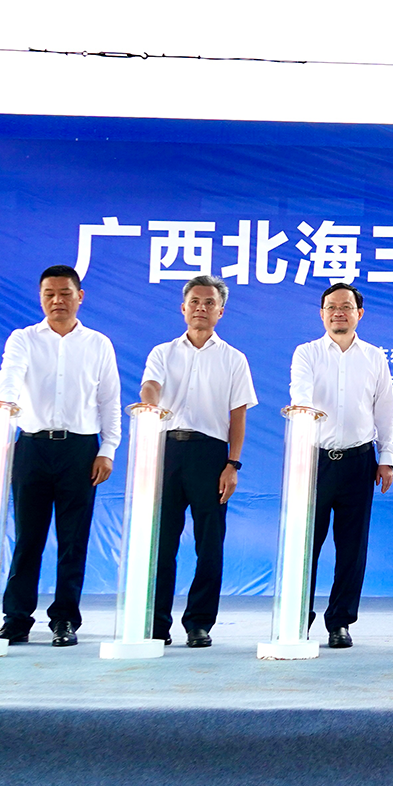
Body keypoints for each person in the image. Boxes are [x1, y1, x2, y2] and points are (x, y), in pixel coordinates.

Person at [0, 264, 122, 647]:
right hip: (32, 447)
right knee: (27, 538)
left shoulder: (98, 344)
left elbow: (109, 400)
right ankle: (16, 619)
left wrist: (108, 449)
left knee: (73, 541)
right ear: (40, 298)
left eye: (65, 293)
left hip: (80, 450)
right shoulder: (23, 339)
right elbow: (10, 376)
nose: (57, 301)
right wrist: (5, 410)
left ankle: (65, 620)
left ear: (79, 296)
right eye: (49, 294)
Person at [140, 274, 256, 648]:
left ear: (221, 311)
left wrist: (232, 465)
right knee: (161, 542)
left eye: (209, 303)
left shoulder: (234, 359)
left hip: (211, 455)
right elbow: (150, 385)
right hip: (166, 451)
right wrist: (150, 401)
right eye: (194, 302)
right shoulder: (162, 353)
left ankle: (199, 623)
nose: (201, 308)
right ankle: (155, 623)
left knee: (209, 544)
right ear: (183, 308)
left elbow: (237, 417)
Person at [290, 281, 393, 649]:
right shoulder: (306, 353)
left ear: (359, 314)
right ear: (322, 314)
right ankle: (296, 620)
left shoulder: (374, 357)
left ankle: (340, 622)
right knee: (305, 545)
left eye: (346, 307)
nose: (339, 313)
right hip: (315, 461)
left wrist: (387, 458)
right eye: (332, 307)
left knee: (352, 548)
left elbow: (384, 410)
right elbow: (300, 395)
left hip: (358, 461)